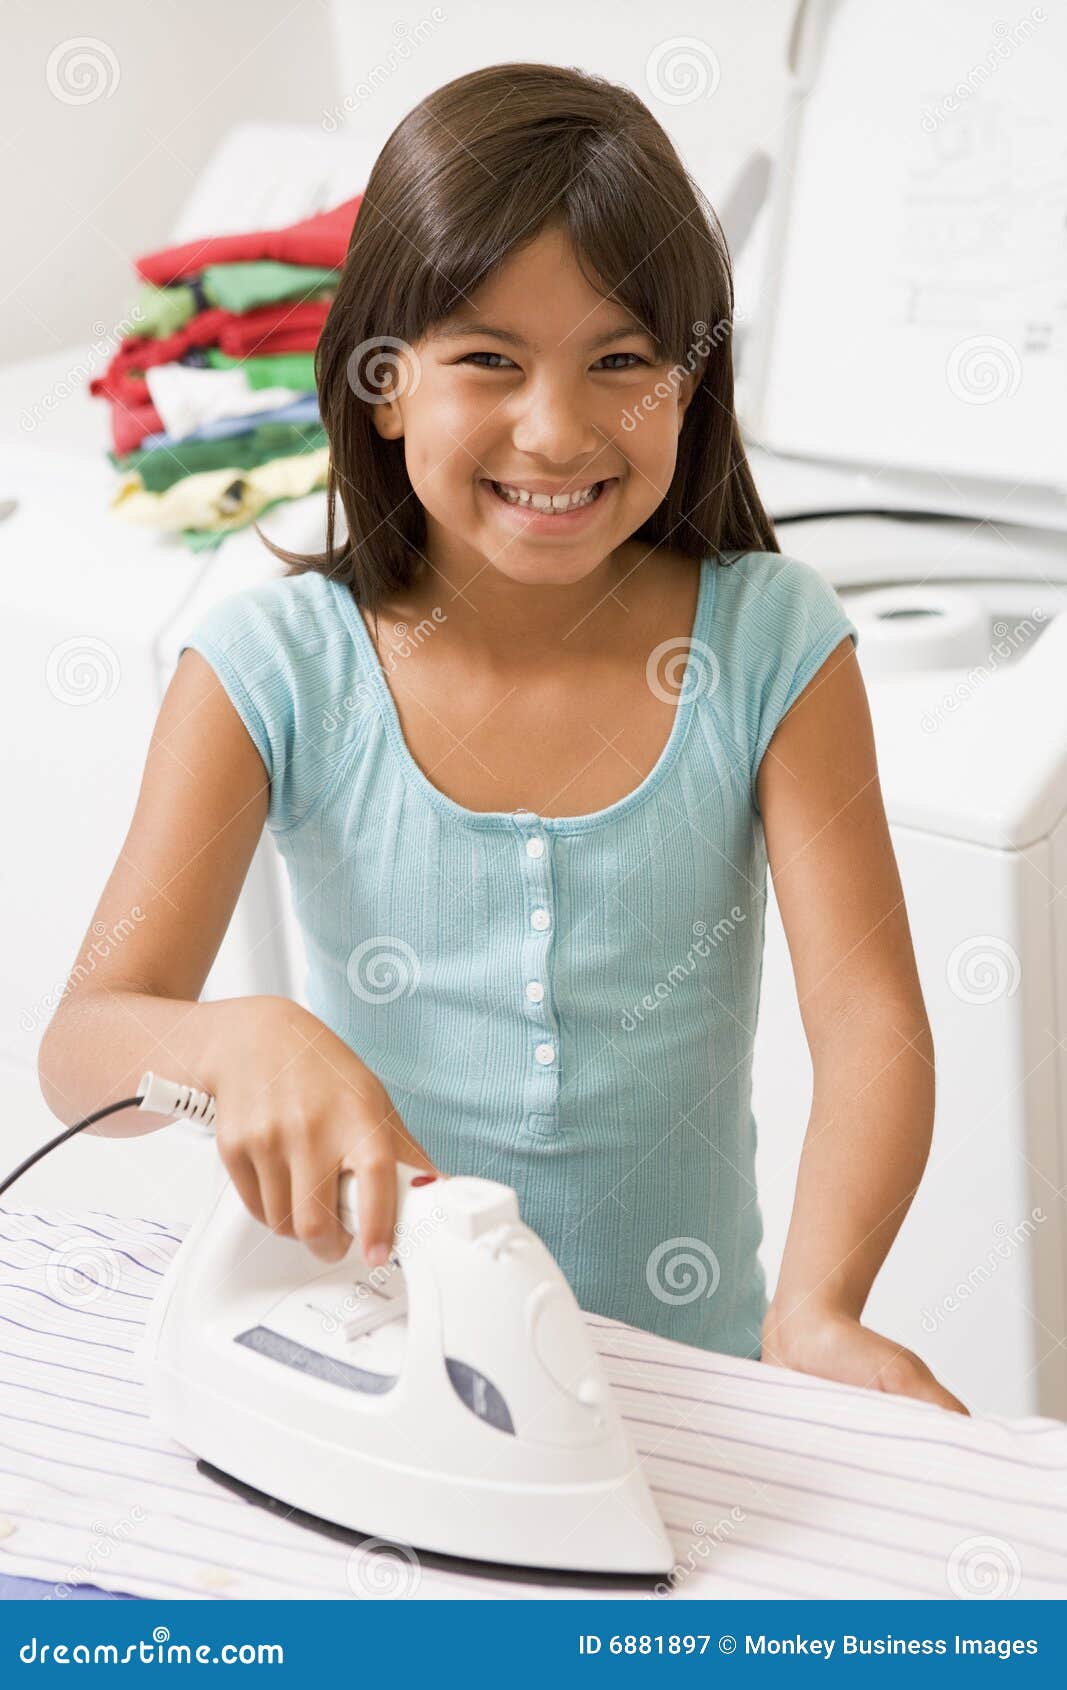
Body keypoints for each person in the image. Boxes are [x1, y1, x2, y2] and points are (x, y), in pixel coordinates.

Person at [38, 61, 967, 1414]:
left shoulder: (773, 642)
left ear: (692, 380)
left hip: (690, 1392)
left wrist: (817, 1308)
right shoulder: (271, 666)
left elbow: (872, 1020)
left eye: (622, 360)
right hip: (381, 1378)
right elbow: (84, 1052)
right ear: (383, 383)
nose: (559, 427)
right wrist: (232, 1043)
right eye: (488, 359)